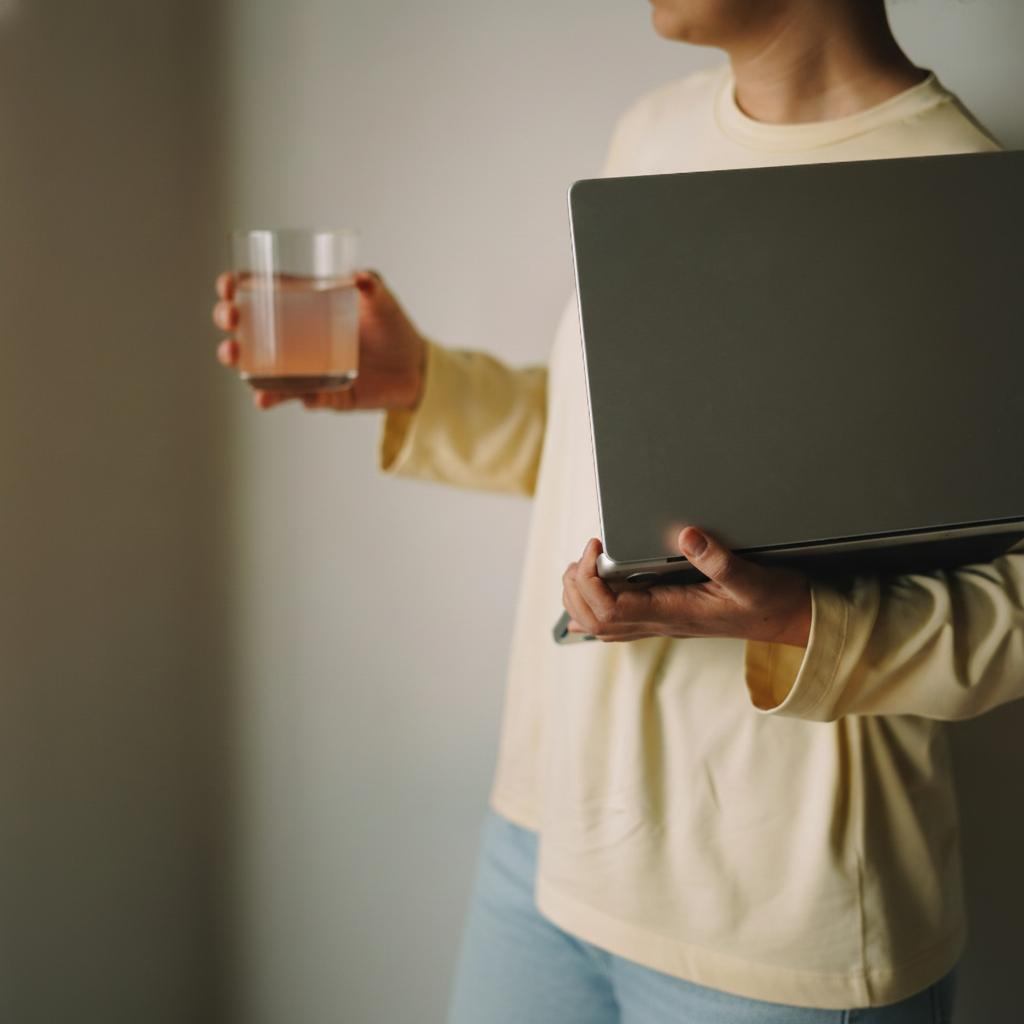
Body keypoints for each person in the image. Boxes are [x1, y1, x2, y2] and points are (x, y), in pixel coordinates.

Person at [215, 1, 1024, 1021]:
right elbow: (628, 463)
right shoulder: (653, 132)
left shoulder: (962, 187)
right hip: (547, 843)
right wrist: (421, 382)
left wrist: (802, 622)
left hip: (776, 924)